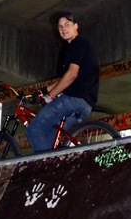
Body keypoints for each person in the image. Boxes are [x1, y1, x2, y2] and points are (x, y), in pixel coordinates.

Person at [27, 12, 99, 152]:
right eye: (60, 27)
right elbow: (64, 79)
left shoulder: (76, 44)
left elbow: (71, 75)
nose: (63, 29)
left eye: (67, 25)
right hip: (85, 105)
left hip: (73, 98)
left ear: (76, 26)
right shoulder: (80, 46)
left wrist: (50, 96)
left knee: (35, 129)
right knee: (51, 137)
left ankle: (45, 166)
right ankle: (55, 164)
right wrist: (42, 91)